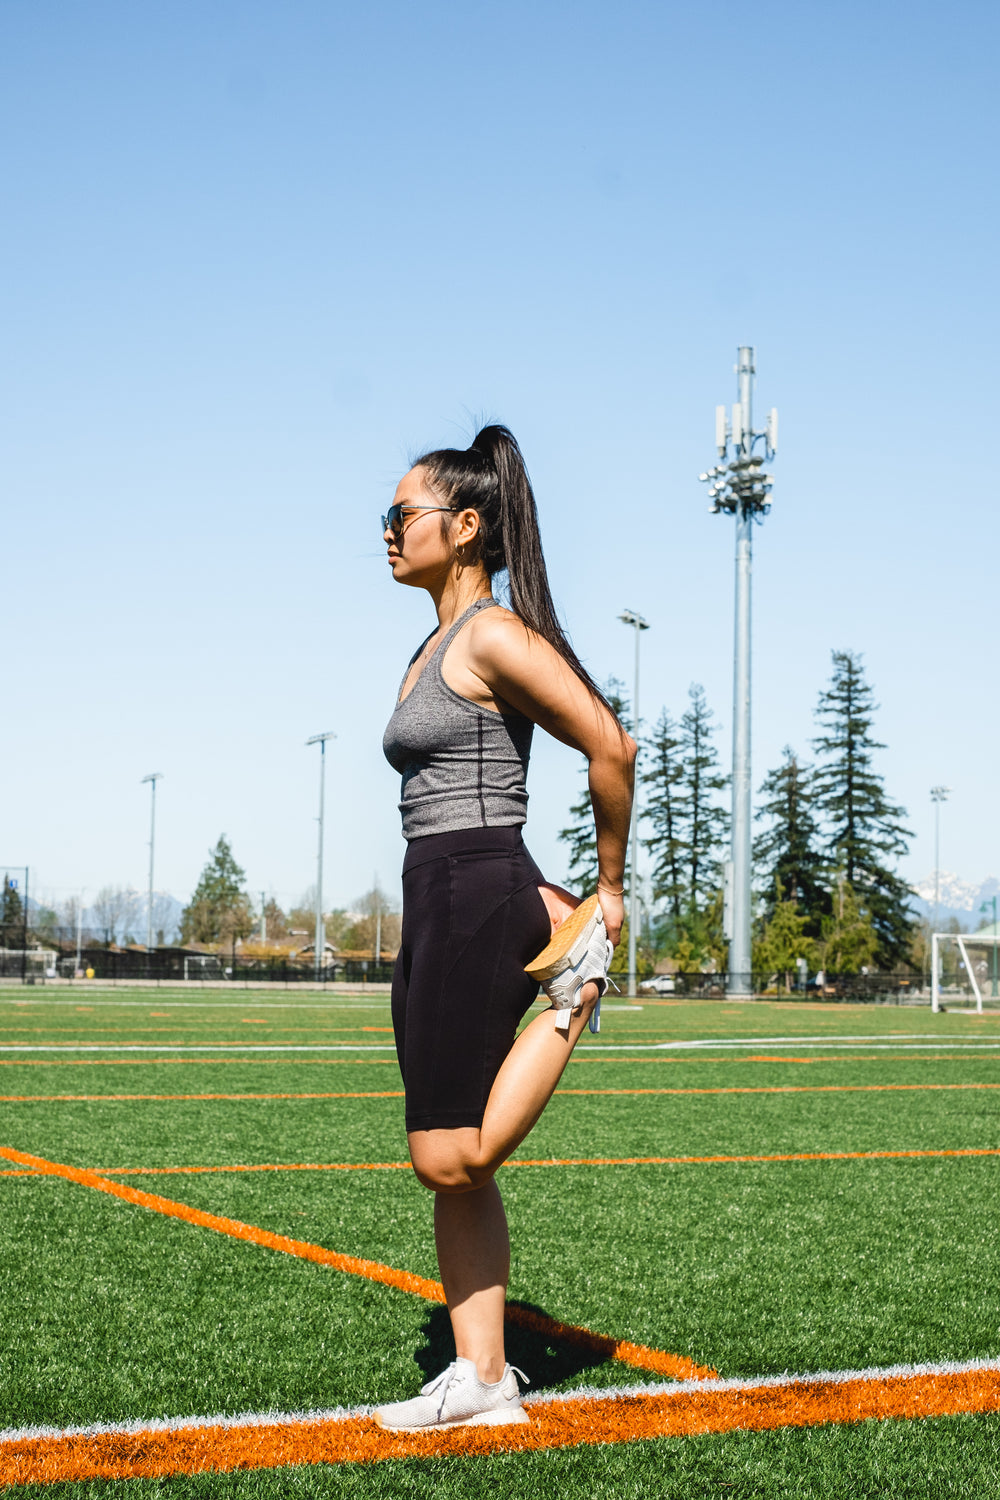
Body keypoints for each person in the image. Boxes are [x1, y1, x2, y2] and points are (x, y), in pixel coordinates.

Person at [375, 425, 636, 1432]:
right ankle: (483, 1378)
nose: (389, 533)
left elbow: (608, 745)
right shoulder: (431, 643)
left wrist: (605, 890)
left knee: (450, 1157)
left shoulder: (489, 633)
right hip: (433, 894)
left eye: (403, 516)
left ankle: (576, 991)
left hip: (478, 885)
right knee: (444, 1160)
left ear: (466, 525)